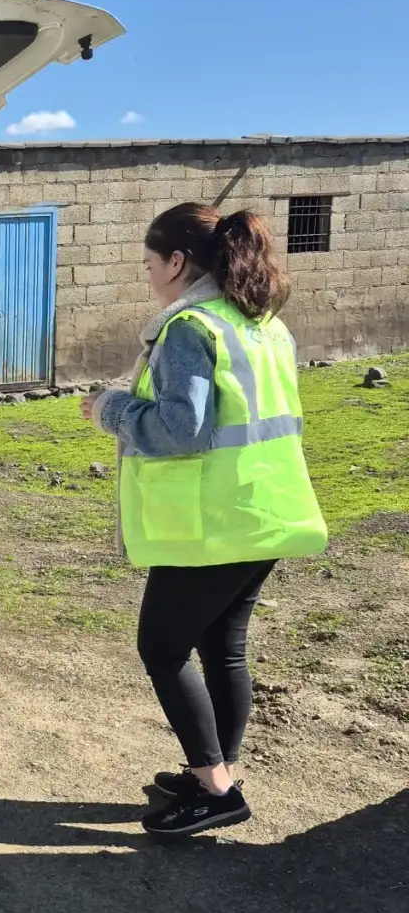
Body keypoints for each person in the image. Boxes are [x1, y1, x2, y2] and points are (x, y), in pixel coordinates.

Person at [83, 204, 327, 838]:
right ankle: (216, 772)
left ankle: (215, 789)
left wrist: (110, 409)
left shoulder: (190, 327)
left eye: (147, 264)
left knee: (161, 648)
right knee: (223, 646)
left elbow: (181, 429)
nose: (145, 277)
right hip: (267, 511)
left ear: (177, 263)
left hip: (212, 525)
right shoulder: (263, 324)